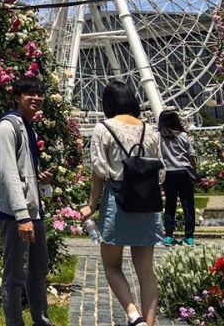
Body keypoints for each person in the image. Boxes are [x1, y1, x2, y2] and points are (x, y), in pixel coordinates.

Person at [80, 81, 164, 326]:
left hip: (118, 201)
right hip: (148, 203)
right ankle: (148, 323)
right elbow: (160, 171)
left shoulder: (103, 129)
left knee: (111, 265)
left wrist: (91, 205)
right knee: (146, 270)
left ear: (107, 103)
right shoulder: (150, 130)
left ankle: (133, 314)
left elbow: (98, 171)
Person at [0, 76, 54, 326]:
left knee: (38, 272)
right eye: (30, 93)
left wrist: (38, 179)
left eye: (39, 93)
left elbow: (21, 171)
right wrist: (21, 215)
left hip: (33, 212)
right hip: (15, 214)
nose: (36, 98)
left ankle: (42, 321)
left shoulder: (28, 126)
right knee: (15, 277)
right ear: (17, 97)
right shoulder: (8, 127)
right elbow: (7, 173)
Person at [158, 110, 197, 246]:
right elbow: (191, 155)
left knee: (170, 204)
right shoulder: (183, 136)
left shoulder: (159, 137)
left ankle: (168, 235)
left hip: (168, 173)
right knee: (188, 204)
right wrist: (194, 170)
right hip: (184, 171)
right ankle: (189, 236)